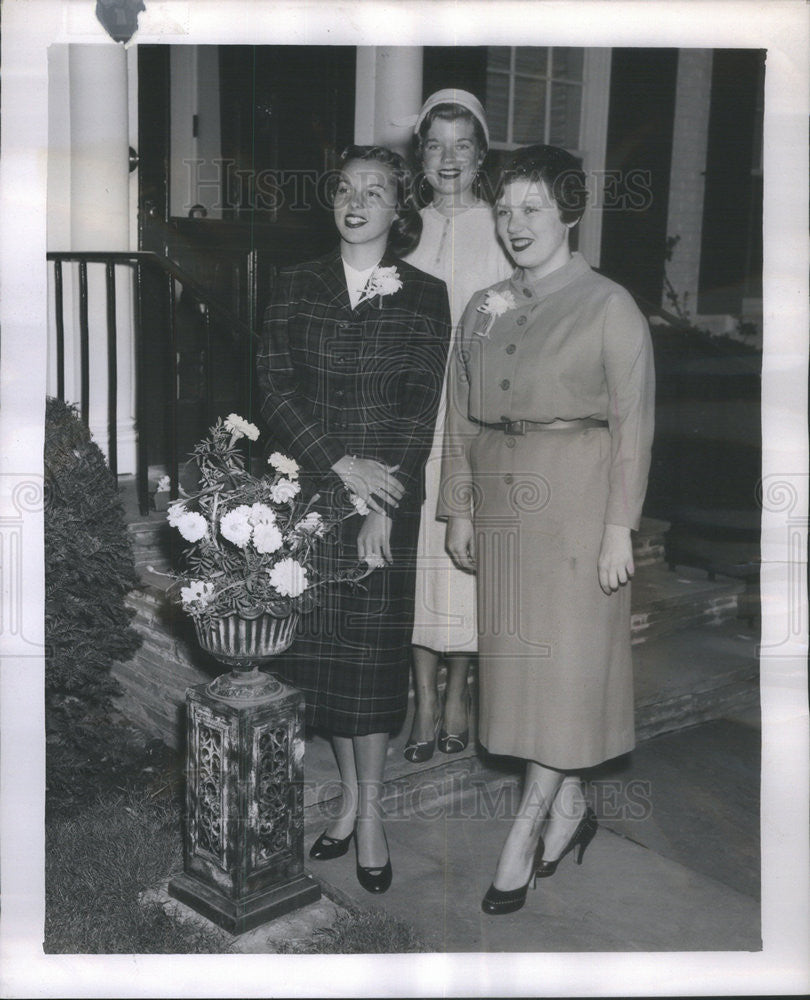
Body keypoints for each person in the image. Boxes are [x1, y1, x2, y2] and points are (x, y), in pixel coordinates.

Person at [438, 144, 655, 915]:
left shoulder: (609, 304)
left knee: (567, 680)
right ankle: (569, 805)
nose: (515, 224)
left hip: (578, 506)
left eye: (532, 208)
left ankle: (524, 831)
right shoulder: (484, 305)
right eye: (504, 210)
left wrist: (618, 528)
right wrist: (459, 505)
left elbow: (634, 427)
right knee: (527, 680)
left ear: (568, 212)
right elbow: (461, 416)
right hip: (503, 506)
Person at [256, 145, 450, 893]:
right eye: (345, 188)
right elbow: (273, 390)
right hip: (308, 495)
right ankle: (342, 800)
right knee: (322, 669)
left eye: (374, 190)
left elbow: (417, 407)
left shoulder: (425, 294)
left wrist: (381, 507)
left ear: (399, 209)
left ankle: (370, 814)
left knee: (368, 666)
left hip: (385, 505)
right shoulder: (295, 283)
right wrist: (337, 465)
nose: (356, 200)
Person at [402, 89, 511, 764]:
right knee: (417, 558)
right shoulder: (402, 227)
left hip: (474, 414)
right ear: (421, 154)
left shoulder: (504, 229)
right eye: (435, 144)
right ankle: (420, 703)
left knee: (468, 556)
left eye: (462, 144)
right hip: (411, 412)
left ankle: (461, 693)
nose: (448, 158)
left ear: (481, 154)